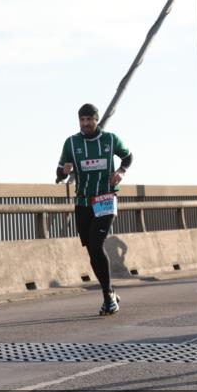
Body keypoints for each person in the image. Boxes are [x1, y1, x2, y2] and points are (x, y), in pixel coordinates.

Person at [56, 103, 133, 315]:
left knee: (97, 243)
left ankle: (108, 299)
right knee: (91, 250)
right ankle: (110, 293)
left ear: (96, 120)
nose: (86, 124)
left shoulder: (110, 139)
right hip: (82, 202)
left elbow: (128, 156)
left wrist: (121, 171)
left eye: (90, 120)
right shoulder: (71, 143)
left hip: (105, 199)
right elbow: (59, 172)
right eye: (82, 120)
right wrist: (64, 171)